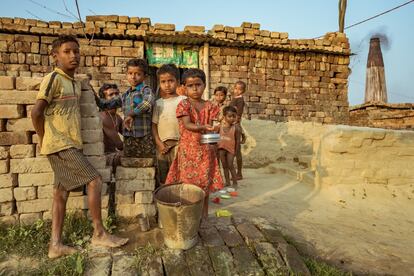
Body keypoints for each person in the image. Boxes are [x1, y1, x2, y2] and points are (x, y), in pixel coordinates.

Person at [31, 35, 128, 259]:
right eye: (67, 51)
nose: (73, 55)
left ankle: (55, 245)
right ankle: (99, 233)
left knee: (60, 192)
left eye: (76, 51)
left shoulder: (74, 82)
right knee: (94, 181)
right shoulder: (53, 78)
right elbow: (36, 113)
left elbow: (102, 104)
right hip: (60, 144)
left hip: (68, 143)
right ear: (55, 56)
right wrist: (45, 139)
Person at [165, 68, 223, 218]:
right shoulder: (184, 105)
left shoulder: (211, 106)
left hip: (206, 152)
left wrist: (215, 129)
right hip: (188, 153)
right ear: (184, 87)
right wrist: (204, 127)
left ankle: (203, 215)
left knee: (204, 185)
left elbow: (215, 125)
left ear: (204, 85)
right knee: (188, 185)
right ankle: (188, 216)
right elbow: (187, 124)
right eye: (190, 86)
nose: (195, 89)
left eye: (198, 84)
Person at [95, 59, 155, 158]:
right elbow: (105, 104)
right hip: (129, 138)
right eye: (130, 73)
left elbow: (147, 103)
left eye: (138, 74)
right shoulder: (125, 95)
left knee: (146, 163)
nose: (133, 77)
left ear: (145, 76)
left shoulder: (145, 90)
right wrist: (93, 95)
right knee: (129, 164)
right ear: (126, 74)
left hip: (144, 137)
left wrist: (132, 114)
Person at [152, 64, 186, 184]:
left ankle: (178, 198)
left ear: (177, 81)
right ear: (159, 83)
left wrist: (183, 143)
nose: (167, 85)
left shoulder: (183, 100)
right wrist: (159, 143)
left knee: (178, 174)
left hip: (179, 144)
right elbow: (154, 126)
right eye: (163, 82)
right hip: (162, 146)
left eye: (170, 81)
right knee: (163, 175)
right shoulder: (158, 103)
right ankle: (165, 199)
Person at [98, 83, 123, 176]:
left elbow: (129, 134)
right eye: (111, 95)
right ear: (104, 100)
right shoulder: (103, 117)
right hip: (104, 157)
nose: (115, 97)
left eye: (117, 94)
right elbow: (119, 144)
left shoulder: (117, 117)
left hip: (114, 154)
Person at [217, 106, 241, 188]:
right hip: (221, 149)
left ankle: (235, 182)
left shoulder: (236, 128)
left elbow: (238, 141)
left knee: (230, 165)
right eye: (229, 116)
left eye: (234, 116)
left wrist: (236, 152)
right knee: (224, 166)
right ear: (224, 117)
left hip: (230, 150)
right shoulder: (219, 127)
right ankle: (227, 182)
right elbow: (216, 137)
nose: (232, 118)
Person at [230, 81, 247, 180]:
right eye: (236, 88)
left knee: (237, 151)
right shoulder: (235, 99)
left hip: (235, 125)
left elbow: (238, 114)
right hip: (232, 124)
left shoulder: (240, 100)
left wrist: (234, 123)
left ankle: (239, 173)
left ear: (243, 91)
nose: (237, 90)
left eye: (240, 89)